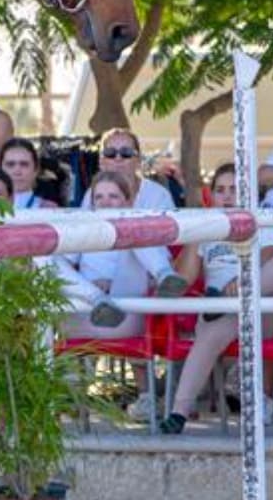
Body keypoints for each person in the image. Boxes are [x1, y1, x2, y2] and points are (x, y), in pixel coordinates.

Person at [162, 163, 273, 434]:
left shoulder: (262, 219)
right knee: (213, 328)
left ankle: (241, 291)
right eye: (220, 190)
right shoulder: (208, 230)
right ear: (211, 196)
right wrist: (194, 237)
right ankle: (178, 412)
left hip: (262, 307)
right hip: (221, 310)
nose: (227, 197)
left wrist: (243, 280)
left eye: (235, 190)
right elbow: (183, 281)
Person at [53, 171, 186, 420]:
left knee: (134, 231)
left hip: (125, 314)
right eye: (99, 197)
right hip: (85, 314)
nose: (105, 202)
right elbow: (63, 267)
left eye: (113, 196)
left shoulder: (139, 226)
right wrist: (89, 285)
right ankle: (94, 296)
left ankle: (163, 274)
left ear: (128, 201)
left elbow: (141, 277)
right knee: (48, 260)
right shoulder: (83, 229)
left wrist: (114, 283)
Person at [79, 128, 176, 211]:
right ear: (101, 162)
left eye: (126, 153)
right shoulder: (91, 194)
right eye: (110, 153)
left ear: (138, 160)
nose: (118, 158)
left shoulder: (158, 196)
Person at [0, 137, 58, 209]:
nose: (17, 171)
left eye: (24, 164)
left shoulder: (49, 209)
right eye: (10, 164)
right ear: (0, 170)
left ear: (36, 170)